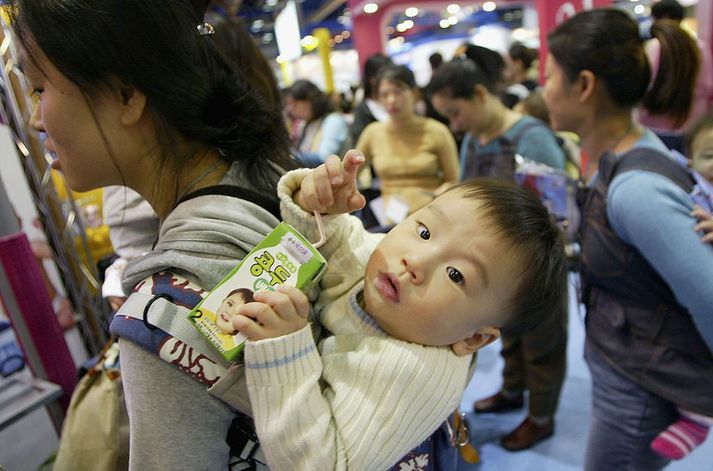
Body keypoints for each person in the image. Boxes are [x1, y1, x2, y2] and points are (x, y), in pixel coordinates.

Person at [13, 0, 297, 468]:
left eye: (40, 87)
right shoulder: (278, 183)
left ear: (127, 94)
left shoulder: (160, 324)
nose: (37, 119)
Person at [231, 151, 568, 469]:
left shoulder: (410, 374)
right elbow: (345, 244)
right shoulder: (389, 262)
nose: (416, 261)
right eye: (424, 231)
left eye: (455, 275)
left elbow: (324, 463)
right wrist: (318, 209)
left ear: (475, 338)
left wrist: (283, 348)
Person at [543, 8, 713, 470]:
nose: (544, 90)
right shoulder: (616, 158)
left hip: (641, 388)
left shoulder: (635, 191)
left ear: (584, 86)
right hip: (625, 363)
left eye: (549, 77)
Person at [430, 53, 568, 450]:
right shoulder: (474, 140)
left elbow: (557, 213)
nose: (455, 126)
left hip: (539, 266)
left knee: (543, 345)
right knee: (507, 335)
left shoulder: (532, 137)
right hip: (498, 269)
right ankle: (512, 391)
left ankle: (541, 418)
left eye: (456, 113)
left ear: (479, 94)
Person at [356, 64, 459, 222]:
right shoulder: (373, 132)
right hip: (391, 222)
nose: (391, 100)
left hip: (431, 216)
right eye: (384, 94)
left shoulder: (437, 131)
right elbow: (351, 173)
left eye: (398, 92)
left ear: (415, 94)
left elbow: (453, 180)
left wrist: (441, 192)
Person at [638, 0, 713, 153]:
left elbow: (643, 85)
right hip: (691, 127)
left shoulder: (654, 46)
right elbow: (708, 89)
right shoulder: (700, 48)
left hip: (654, 127)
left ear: (658, 17)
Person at [284, 79, 350, 168]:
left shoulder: (333, 120)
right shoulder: (305, 123)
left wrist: (287, 155)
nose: (290, 109)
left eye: (294, 104)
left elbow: (324, 158)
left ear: (309, 102)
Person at [351, 53, 393, 145]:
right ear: (372, 79)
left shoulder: (396, 103)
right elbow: (359, 143)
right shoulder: (363, 110)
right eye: (385, 75)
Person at [502, 42, 540, 109]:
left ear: (518, 64)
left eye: (507, 63)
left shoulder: (513, 93)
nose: (505, 68)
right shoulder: (538, 88)